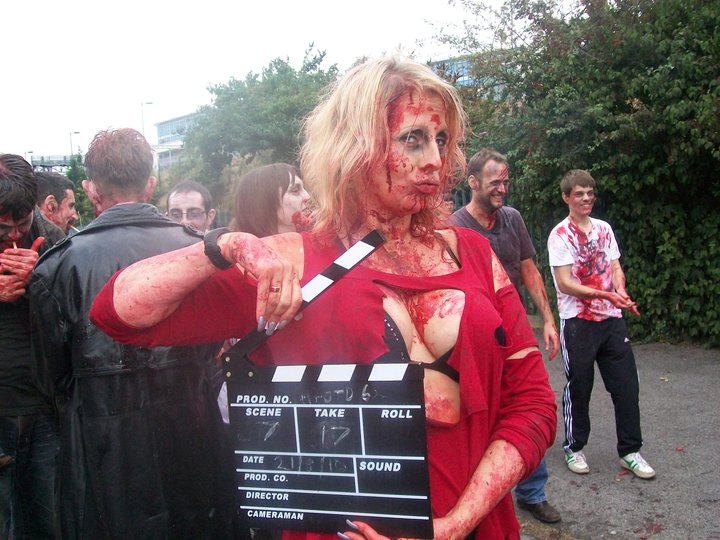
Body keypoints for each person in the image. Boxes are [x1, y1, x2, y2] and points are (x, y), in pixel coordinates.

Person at [90, 57, 557, 540]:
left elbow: (533, 403)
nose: (435, 161)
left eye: (441, 141)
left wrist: (457, 523)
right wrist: (224, 246)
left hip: (479, 528)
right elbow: (118, 312)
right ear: (355, 147)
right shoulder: (294, 260)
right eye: (412, 139)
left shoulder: (474, 253)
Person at [29, 129, 241, 539]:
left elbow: (50, 379)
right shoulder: (202, 252)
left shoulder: (57, 265)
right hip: (192, 441)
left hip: (101, 452)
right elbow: (214, 353)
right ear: (150, 184)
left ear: (91, 189)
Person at [450, 148, 561, 524]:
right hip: (477, 340)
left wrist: (548, 320)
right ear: (473, 182)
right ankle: (475, 500)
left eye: (506, 181)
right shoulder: (456, 228)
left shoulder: (512, 219)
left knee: (527, 405)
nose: (502, 188)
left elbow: (529, 270)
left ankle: (531, 493)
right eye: (495, 182)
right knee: (480, 415)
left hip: (514, 333)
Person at [547, 169, 655, 480]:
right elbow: (565, 283)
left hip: (612, 321)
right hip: (577, 323)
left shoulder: (604, 229)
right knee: (579, 387)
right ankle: (574, 447)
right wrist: (605, 294)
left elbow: (615, 266)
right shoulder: (559, 235)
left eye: (590, 193)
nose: (586, 198)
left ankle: (630, 452)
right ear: (566, 197)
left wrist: (620, 290)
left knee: (626, 386)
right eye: (579, 194)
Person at [0, 154, 64, 539]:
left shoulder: (53, 240)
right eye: (2, 227)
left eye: (22, 224)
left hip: (43, 406)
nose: (13, 236)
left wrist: (39, 280)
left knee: (50, 521)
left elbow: (74, 315)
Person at [232, 163, 311, 236]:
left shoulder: (314, 239)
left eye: (304, 189)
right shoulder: (244, 246)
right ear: (265, 204)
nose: (307, 197)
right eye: (295, 190)